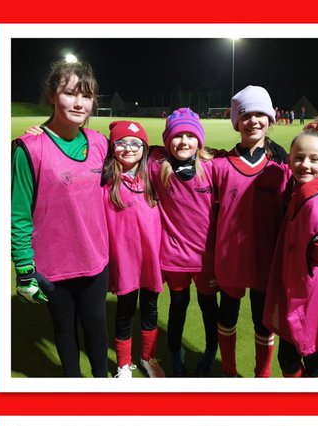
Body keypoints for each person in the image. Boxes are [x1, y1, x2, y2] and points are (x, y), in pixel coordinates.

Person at [10, 58, 110, 377]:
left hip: (95, 260)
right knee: (65, 329)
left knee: (97, 328)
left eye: (87, 95)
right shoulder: (29, 148)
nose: (79, 103)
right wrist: (24, 269)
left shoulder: (100, 143)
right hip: (54, 266)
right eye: (70, 93)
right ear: (53, 96)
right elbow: (18, 214)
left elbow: (134, 168)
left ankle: (102, 385)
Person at [212, 85, 290, 377]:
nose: (253, 121)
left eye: (260, 114)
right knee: (227, 315)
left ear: (270, 119)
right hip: (231, 258)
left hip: (266, 259)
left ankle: (262, 375)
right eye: (245, 115)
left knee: (263, 321)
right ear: (236, 122)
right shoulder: (220, 165)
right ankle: (229, 372)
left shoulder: (281, 165)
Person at [264, 118, 318, 378]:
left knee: (298, 354)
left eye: (314, 159)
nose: (305, 165)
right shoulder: (315, 184)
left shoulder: (311, 196)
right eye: (299, 158)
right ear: (290, 159)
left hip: (312, 286)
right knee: (311, 354)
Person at [148, 109, 219, 376]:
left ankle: (210, 352)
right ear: (167, 141)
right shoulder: (157, 166)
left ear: (199, 140)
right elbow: (124, 147)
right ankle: (175, 355)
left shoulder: (212, 166)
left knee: (209, 308)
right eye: (177, 136)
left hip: (206, 258)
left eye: (190, 135)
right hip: (175, 257)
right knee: (178, 306)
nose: (184, 142)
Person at [102, 120, 164, 379]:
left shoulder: (152, 177)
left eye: (135, 143)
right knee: (125, 311)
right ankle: (124, 364)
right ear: (112, 146)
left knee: (150, 309)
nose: (129, 148)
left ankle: (148, 358)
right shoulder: (106, 181)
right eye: (122, 143)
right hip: (125, 261)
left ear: (144, 148)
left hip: (150, 259)